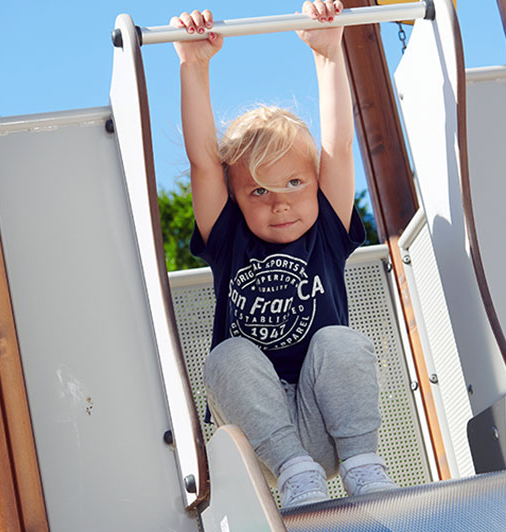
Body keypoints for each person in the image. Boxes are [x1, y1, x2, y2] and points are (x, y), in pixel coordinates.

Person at [172, 1, 397, 510]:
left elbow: (339, 146)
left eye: (295, 183)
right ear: (236, 199)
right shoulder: (230, 237)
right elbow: (204, 164)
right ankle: (297, 478)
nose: (280, 203)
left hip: (330, 421)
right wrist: (194, 65)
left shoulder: (327, 228)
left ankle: (365, 467)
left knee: (339, 341)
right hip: (264, 434)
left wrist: (329, 56)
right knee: (227, 357)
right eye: (259, 192)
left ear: (316, 184)